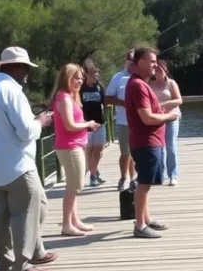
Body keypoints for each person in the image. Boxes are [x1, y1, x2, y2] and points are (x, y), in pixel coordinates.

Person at [0, 47, 57, 271]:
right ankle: (22, 265)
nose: (28, 73)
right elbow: (26, 131)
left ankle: (7, 263)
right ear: (17, 68)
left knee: (3, 217)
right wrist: (40, 120)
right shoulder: (12, 91)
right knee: (26, 213)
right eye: (27, 68)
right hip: (19, 165)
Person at [124, 47, 179, 238]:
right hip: (145, 141)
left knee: (146, 182)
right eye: (152, 61)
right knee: (144, 183)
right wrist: (169, 116)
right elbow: (146, 118)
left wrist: (162, 114)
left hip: (150, 140)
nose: (156, 65)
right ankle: (139, 225)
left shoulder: (141, 84)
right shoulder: (138, 86)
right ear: (140, 63)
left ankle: (146, 218)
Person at [49, 63, 100, 235]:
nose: (79, 81)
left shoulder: (72, 96)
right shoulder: (63, 97)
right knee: (74, 185)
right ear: (66, 78)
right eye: (75, 78)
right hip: (70, 147)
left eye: (81, 78)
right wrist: (88, 124)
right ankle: (66, 225)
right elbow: (70, 125)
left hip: (76, 145)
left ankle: (75, 220)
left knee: (75, 185)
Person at [105, 50, 137, 191]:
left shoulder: (142, 77)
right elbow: (107, 99)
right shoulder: (118, 77)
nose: (132, 64)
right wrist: (123, 103)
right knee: (125, 152)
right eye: (130, 61)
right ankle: (123, 177)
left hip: (140, 121)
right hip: (124, 122)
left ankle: (134, 179)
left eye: (135, 62)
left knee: (136, 152)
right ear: (126, 62)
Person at [150, 58, 183, 186]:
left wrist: (164, 104)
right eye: (156, 69)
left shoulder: (171, 83)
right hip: (157, 118)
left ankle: (173, 175)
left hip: (172, 117)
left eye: (161, 69)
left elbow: (179, 100)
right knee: (159, 147)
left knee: (171, 146)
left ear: (166, 70)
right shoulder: (149, 83)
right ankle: (160, 174)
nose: (158, 71)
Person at [80, 62, 107, 187]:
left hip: (99, 123)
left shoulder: (99, 87)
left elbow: (105, 102)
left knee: (98, 151)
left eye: (97, 73)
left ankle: (93, 173)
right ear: (87, 75)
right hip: (85, 126)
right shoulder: (81, 89)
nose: (97, 75)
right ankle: (93, 174)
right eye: (94, 73)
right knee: (88, 151)